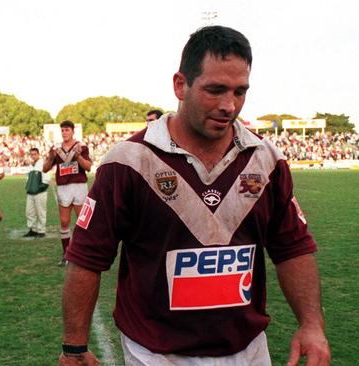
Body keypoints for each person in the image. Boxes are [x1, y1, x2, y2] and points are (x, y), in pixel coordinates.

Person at [59, 26, 330, 366]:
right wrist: (74, 346)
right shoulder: (128, 162)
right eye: (215, 90)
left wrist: (311, 324)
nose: (229, 105)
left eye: (240, 91)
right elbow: (87, 257)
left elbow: (292, 248)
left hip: (248, 351)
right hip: (156, 353)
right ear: (180, 85)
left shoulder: (265, 159)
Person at [43, 120, 92, 266]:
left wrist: (78, 157)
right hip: (63, 187)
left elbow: (88, 167)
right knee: (64, 222)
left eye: (67, 130)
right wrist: (51, 157)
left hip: (79, 186)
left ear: (72, 131)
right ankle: (67, 254)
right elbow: (45, 169)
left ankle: (83, 253)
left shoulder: (81, 147)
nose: (65, 133)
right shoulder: (56, 149)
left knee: (82, 222)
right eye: (63, 130)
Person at [23, 148, 49, 238]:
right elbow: (27, 179)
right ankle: (32, 229)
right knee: (29, 212)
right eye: (32, 154)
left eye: (35, 154)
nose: (33, 156)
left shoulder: (43, 164)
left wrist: (38, 189)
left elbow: (46, 180)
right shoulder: (31, 166)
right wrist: (28, 188)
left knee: (41, 212)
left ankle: (41, 231)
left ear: (38, 154)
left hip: (40, 193)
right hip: (30, 193)